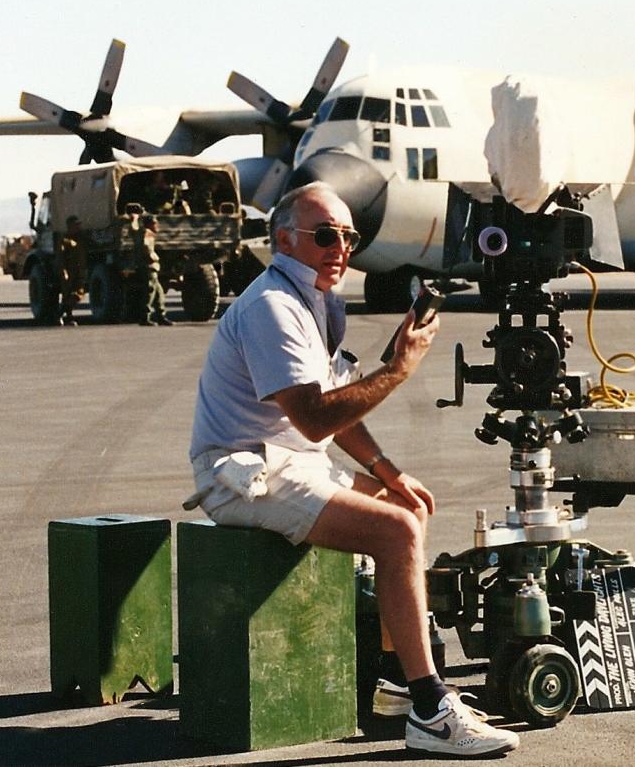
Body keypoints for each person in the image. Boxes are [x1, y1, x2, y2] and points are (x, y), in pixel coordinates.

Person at [187, 182, 518, 758]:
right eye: (324, 235)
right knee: (398, 534)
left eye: (347, 236)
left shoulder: (312, 300)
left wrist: (389, 472)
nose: (339, 247)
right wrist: (398, 368)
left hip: (289, 461)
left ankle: (396, 682)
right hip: (240, 474)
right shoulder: (274, 307)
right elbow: (316, 419)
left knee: (404, 508)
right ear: (283, 240)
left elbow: (338, 407)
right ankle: (431, 709)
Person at [137, 216, 173, 326]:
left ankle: (161, 316)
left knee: (159, 293)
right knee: (150, 292)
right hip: (149, 267)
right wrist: (153, 257)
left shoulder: (146, 232)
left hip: (151, 267)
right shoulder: (147, 233)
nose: (156, 225)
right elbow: (145, 247)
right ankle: (145, 317)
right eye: (155, 223)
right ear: (150, 224)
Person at [57, 216, 88, 326]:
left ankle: (61, 314)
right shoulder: (64, 240)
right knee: (68, 295)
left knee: (78, 294)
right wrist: (64, 272)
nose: (78, 227)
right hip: (69, 272)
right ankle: (66, 316)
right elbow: (60, 258)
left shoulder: (81, 238)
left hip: (79, 271)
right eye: (76, 225)